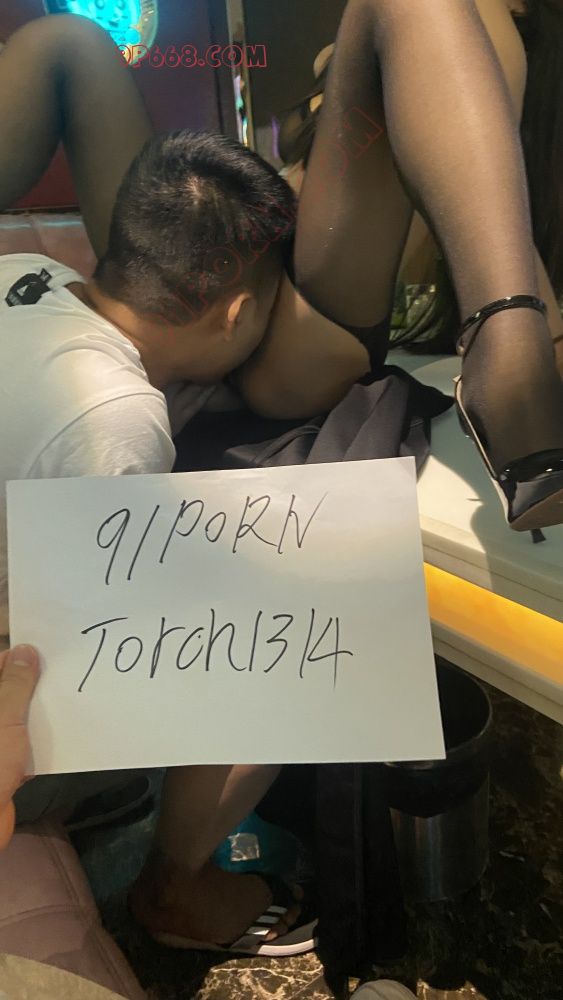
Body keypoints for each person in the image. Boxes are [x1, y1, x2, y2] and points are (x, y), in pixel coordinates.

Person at [2, 0, 563, 957]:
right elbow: (123, 665)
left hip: (184, 340)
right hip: (40, 732)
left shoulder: (34, 287)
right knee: (288, 610)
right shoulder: (110, 418)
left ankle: (510, 344)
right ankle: (514, 337)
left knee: (70, 43)